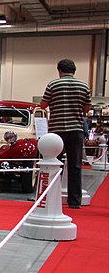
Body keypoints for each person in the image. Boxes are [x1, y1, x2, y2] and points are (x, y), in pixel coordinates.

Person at [40, 58, 91, 208]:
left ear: (59, 70)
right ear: (74, 71)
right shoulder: (84, 86)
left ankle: (51, 199)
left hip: (57, 130)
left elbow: (43, 105)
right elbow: (87, 109)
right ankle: (74, 202)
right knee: (75, 166)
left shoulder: (53, 84)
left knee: (54, 165)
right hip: (76, 130)